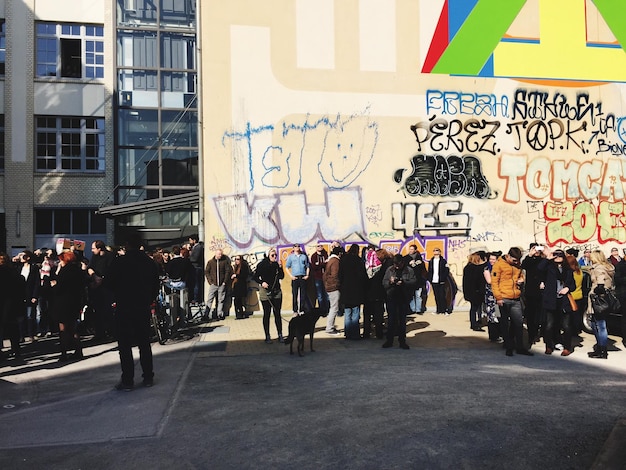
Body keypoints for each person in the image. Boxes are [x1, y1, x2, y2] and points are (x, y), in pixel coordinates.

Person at [106, 233, 160, 391]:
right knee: (144, 343)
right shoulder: (149, 263)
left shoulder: (120, 261)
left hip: (124, 306)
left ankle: (128, 380)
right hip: (142, 306)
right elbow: (155, 285)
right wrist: (148, 299)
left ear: (127, 245)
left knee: (125, 345)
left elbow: (109, 283)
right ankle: (148, 376)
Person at [491, 247, 533, 356]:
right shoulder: (498, 265)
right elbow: (494, 283)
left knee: (518, 323)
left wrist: (521, 279)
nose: (517, 262)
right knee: (504, 324)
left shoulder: (517, 265)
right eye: (514, 260)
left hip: (516, 298)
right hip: (503, 298)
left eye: (518, 260)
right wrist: (498, 298)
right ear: (508, 256)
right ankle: (508, 346)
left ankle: (520, 347)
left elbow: (521, 275)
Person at [538, 248, 576, 357]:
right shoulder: (549, 267)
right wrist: (548, 258)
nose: (558, 257)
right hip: (551, 300)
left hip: (564, 300)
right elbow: (539, 269)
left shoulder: (568, 270)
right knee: (549, 325)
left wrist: (567, 288)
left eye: (560, 255)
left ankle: (567, 347)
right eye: (556, 255)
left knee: (566, 326)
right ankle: (549, 346)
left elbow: (573, 285)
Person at [51, 251, 85, 362]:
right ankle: (79, 350)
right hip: (74, 302)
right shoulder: (78, 270)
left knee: (63, 329)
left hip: (63, 303)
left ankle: (64, 353)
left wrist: (54, 284)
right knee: (72, 328)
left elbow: (59, 288)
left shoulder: (64, 272)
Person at [382, 254, 417, 349]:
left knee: (402, 321)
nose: (396, 266)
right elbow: (384, 283)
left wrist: (404, 282)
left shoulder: (408, 270)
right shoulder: (390, 270)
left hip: (403, 298)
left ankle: (402, 341)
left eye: (398, 264)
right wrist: (390, 281)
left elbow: (414, 282)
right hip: (392, 297)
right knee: (391, 320)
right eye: (395, 264)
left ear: (402, 263)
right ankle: (389, 340)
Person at [587, 250, 615, 359]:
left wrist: (597, 291)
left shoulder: (598, 268)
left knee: (599, 324)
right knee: (597, 324)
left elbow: (600, 283)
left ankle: (602, 350)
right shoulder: (609, 267)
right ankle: (600, 347)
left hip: (598, 299)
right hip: (605, 299)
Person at [253, 248, 284, 343]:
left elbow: (281, 276)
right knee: (267, 314)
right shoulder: (261, 265)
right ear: (268, 256)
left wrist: (280, 267)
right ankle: (267, 335)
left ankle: (280, 334)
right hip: (265, 292)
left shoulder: (276, 265)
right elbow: (255, 276)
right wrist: (262, 282)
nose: (274, 257)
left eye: (275, 255)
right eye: (272, 255)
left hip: (276, 291)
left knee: (277, 313)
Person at [87, 240, 116, 341]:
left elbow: (111, 272)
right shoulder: (94, 257)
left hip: (107, 287)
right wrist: (94, 277)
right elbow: (89, 267)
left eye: (93, 248)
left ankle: (111, 332)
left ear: (99, 248)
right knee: (97, 311)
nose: (92, 250)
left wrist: (101, 280)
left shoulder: (110, 256)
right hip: (96, 286)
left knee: (107, 311)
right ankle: (99, 333)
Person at [339, 244, 368, 340]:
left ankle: (348, 334)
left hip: (346, 290)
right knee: (355, 313)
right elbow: (363, 276)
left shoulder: (343, 260)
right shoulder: (358, 261)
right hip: (356, 290)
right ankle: (355, 334)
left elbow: (340, 275)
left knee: (347, 313)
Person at [0, 253, 24, 361]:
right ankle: (16, 349)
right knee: (13, 329)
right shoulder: (14, 272)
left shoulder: (4, 272)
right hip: (13, 304)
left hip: (4, 303)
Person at [363, 248, 392, 339]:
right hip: (378, 294)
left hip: (367, 295)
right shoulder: (383, 268)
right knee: (378, 315)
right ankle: (379, 333)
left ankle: (366, 333)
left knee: (367, 315)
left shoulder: (366, 268)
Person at [521, 243, 545, 346]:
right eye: (535, 249)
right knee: (530, 314)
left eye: (538, 249)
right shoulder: (529, 260)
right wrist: (530, 255)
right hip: (530, 290)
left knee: (539, 314)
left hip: (541, 290)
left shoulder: (544, 260)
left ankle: (537, 330)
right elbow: (524, 265)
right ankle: (531, 335)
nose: (537, 251)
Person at [16, 251, 40, 342]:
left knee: (30, 315)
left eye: (23, 255)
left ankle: (31, 334)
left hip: (30, 295)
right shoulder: (18, 267)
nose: (21, 257)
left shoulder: (34, 268)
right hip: (21, 295)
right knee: (21, 317)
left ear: (28, 257)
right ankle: (21, 335)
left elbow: (36, 283)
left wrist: (35, 296)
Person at [205, 249, 233, 320]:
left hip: (221, 284)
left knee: (221, 300)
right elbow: (207, 272)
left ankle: (219, 314)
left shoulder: (224, 262)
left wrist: (224, 282)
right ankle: (206, 315)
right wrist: (210, 282)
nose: (220, 255)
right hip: (213, 284)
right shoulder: (211, 262)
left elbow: (227, 271)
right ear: (215, 254)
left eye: (221, 254)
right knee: (210, 299)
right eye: (219, 254)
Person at [462, 251, 487, 331]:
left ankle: (476, 322)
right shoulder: (474, 268)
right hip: (475, 291)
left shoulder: (467, 267)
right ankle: (474, 324)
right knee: (475, 308)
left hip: (470, 291)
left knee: (475, 307)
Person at [323, 245, 342, 335]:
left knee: (333, 307)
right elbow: (335, 275)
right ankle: (329, 328)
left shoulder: (330, 260)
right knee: (334, 308)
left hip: (329, 286)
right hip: (333, 287)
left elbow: (325, 275)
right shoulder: (336, 261)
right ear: (339, 253)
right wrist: (337, 285)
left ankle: (330, 326)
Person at [285, 243, 310, 314]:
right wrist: (291, 276)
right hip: (295, 278)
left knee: (303, 294)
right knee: (295, 294)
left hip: (302, 277)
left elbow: (308, 266)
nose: (297, 247)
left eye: (298, 246)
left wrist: (307, 275)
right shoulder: (291, 257)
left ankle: (302, 310)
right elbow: (287, 267)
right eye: (295, 246)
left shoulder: (304, 256)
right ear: (293, 248)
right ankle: (295, 310)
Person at [483, 252, 501, 343]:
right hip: (490, 295)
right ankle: (493, 336)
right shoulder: (487, 269)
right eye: (490, 259)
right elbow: (489, 281)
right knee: (491, 315)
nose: (492, 261)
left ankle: (500, 334)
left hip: (498, 294)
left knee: (499, 315)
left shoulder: (500, 268)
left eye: (494, 259)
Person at [404, 244, 427, 314]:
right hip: (409, 280)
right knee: (411, 296)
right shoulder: (405, 258)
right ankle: (412, 309)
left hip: (418, 280)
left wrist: (416, 264)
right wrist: (409, 263)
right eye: (410, 249)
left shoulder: (419, 258)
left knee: (418, 295)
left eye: (412, 249)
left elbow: (422, 268)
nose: (410, 250)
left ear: (415, 250)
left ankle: (418, 310)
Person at [427, 247, 450, 314]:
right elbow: (430, 271)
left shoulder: (443, 261)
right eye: (434, 250)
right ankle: (438, 310)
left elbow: (446, 270)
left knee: (442, 295)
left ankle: (444, 310)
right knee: (436, 296)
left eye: (437, 250)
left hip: (441, 281)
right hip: (434, 281)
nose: (435, 252)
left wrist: (443, 278)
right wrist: (430, 279)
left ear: (439, 252)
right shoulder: (431, 261)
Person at [310, 243, 329, 314]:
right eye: (318, 246)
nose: (320, 247)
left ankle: (327, 310)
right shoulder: (314, 256)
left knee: (327, 295)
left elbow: (327, 264)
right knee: (320, 295)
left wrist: (319, 264)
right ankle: (322, 311)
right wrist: (323, 263)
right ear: (316, 247)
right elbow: (314, 267)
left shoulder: (325, 255)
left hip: (326, 278)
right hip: (318, 278)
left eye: (321, 246)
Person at [188, 234, 205, 303]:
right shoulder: (195, 247)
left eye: (190, 240)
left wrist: (189, 257)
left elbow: (195, 258)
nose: (189, 242)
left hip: (197, 268)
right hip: (195, 268)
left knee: (196, 283)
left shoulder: (198, 247)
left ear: (194, 240)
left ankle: (196, 298)